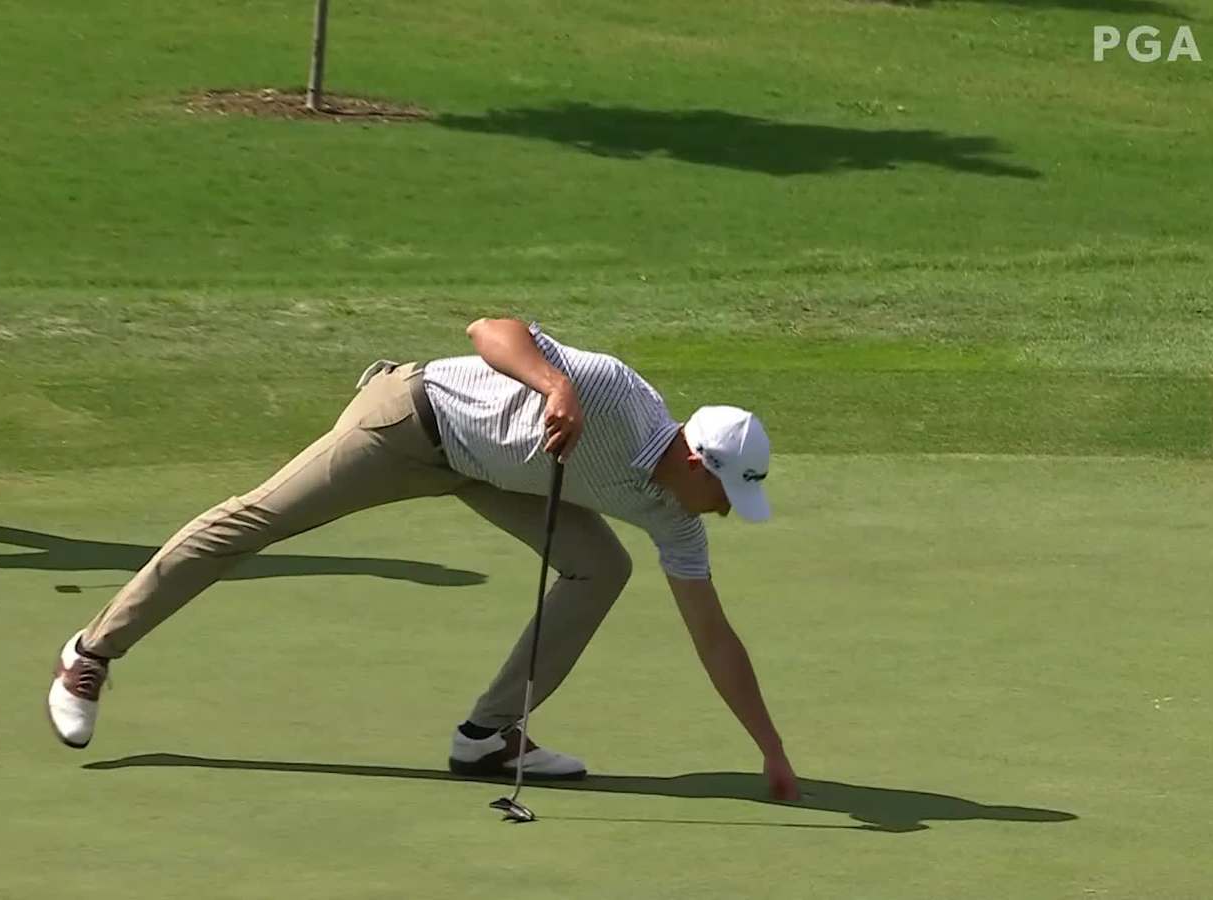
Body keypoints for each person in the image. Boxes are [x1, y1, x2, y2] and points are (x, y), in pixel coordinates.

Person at [46, 319, 800, 801]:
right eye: (729, 494)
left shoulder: (677, 519)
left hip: (490, 470)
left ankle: (485, 737)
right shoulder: (614, 392)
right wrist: (555, 383)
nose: (729, 512)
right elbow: (489, 329)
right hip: (410, 422)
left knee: (602, 566)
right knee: (256, 520)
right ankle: (91, 652)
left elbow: (713, 637)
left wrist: (770, 751)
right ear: (699, 464)